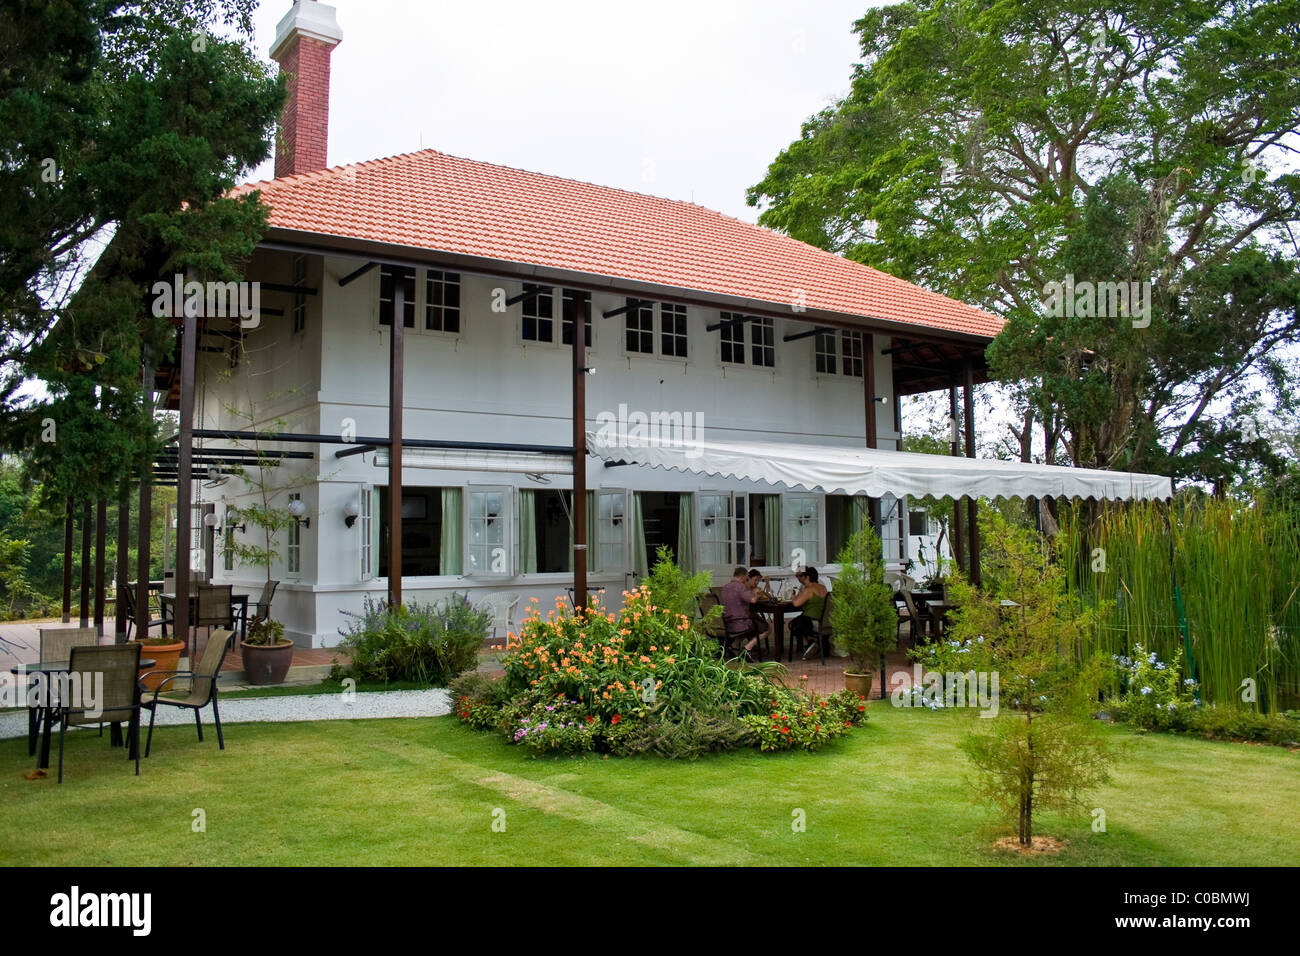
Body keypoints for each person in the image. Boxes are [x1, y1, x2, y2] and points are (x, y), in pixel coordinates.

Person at [720, 566, 760, 656]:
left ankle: (735, 646)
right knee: (764, 627)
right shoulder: (741, 587)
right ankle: (747, 649)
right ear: (743, 576)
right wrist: (757, 593)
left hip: (727, 622)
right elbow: (753, 600)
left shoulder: (725, 587)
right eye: (746, 578)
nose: (746, 580)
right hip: (740, 623)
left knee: (753, 621)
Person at [789, 566, 829, 657]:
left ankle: (807, 645)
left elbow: (796, 604)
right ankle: (811, 644)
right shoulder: (823, 587)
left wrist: (793, 597)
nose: (799, 579)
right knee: (800, 621)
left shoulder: (808, 590)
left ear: (807, 577)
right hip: (825, 620)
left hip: (812, 620)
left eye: (801, 576)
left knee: (794, 624)